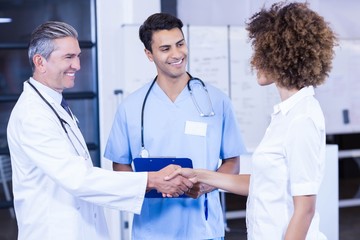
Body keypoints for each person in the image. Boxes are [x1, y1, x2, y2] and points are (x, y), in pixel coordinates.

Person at [6, 21, 194, 240]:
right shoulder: (32, 115)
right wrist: (151, 180)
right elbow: (78, 178)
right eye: (68, 57)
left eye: (78, 56)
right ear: (40, 62)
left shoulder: (54, 105)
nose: (77, 65)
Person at [166, 2, 337, 239]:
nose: (255, 61)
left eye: (260, 51)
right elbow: (263, 184)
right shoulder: (286, 115)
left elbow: (305, 209)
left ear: (280, 56)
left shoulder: (302, 118)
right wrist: (201, 175)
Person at [104, 13, 246, 240]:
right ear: (149, 54)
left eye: (180, 44)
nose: (177, 54)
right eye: (165, 48)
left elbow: (232, 163)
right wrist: (151, 183)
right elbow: (120, 167)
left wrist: (205, 185)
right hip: (151, 233)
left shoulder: (216, 101)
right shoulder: (131, 107)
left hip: (204, 231)